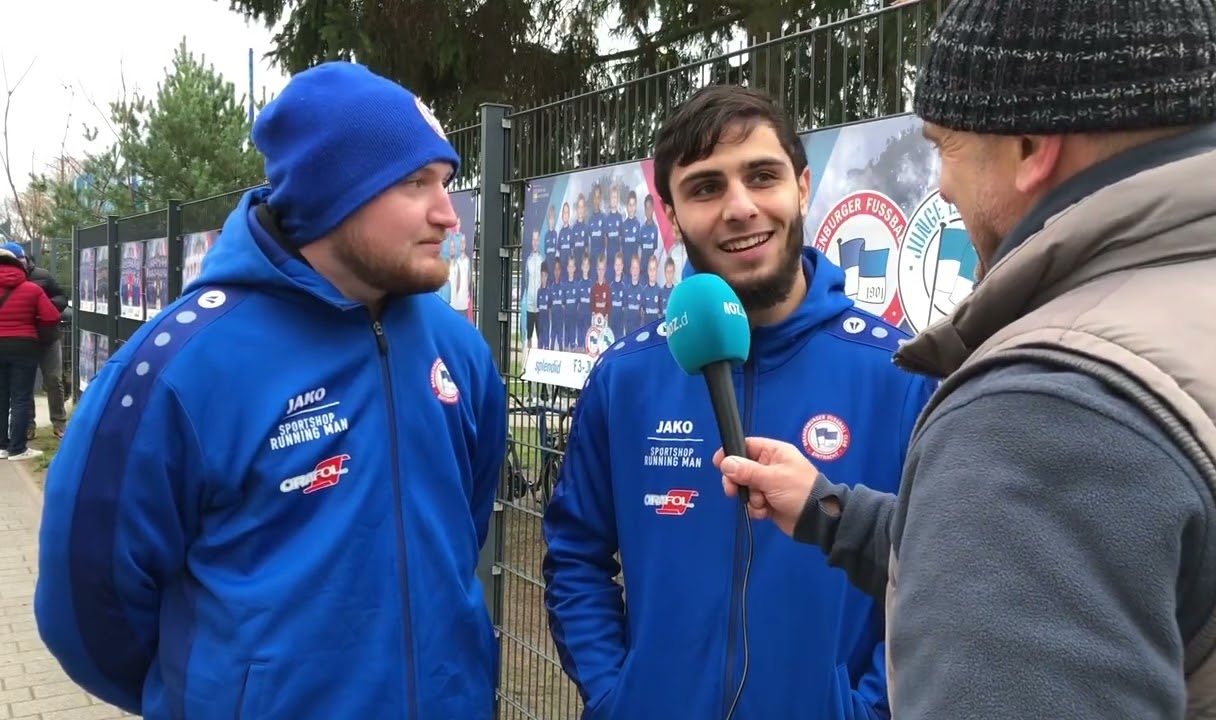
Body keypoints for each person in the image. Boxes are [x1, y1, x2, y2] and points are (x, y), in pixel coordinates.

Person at [716, 1, 1216, 717]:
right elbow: (1095, 568)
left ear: (1029, 145)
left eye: (946, 146)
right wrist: (835, 517)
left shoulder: (1042, 408)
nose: (943, 186)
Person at [35, 60, 507, 719]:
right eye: (414, 182)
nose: (446, 214)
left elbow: (465, 525)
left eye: (447, 182)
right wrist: (218, 691)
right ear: (330, 193)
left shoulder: (457, 349)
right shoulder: (180, 366)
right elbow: (85, 607)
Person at [542, 84, 935, 720]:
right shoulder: (626, 377)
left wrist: (867, 710)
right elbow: (574, 558)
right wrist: (620, 696)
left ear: (803, 188)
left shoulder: (901, 376)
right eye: (705, 187)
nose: (740, 207)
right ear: (671, 215)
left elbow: (938, 576)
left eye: (762, 176)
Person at [2, 242, 71, 439]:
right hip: (25, 339)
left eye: (21, 259)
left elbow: (61, 297)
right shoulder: (6, 279)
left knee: (53, 379)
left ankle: (59, 422)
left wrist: (44, 306)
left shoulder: (42, 276)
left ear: (25, 258)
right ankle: (28, 425)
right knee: (25, 385)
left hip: (48, 337)